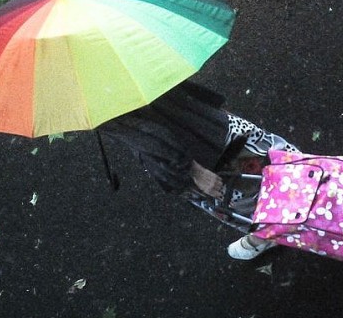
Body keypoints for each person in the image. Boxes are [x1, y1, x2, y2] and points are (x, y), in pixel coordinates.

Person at [98, 79, 298, 260]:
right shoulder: (122, 44)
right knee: (286, 169)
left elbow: (148, 136)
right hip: (212, 121)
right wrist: (215, 106)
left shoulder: (90, 94)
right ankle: (321, 189)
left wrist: (194, 171)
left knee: (246, 199)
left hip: (199, 155)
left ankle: (268, 234)